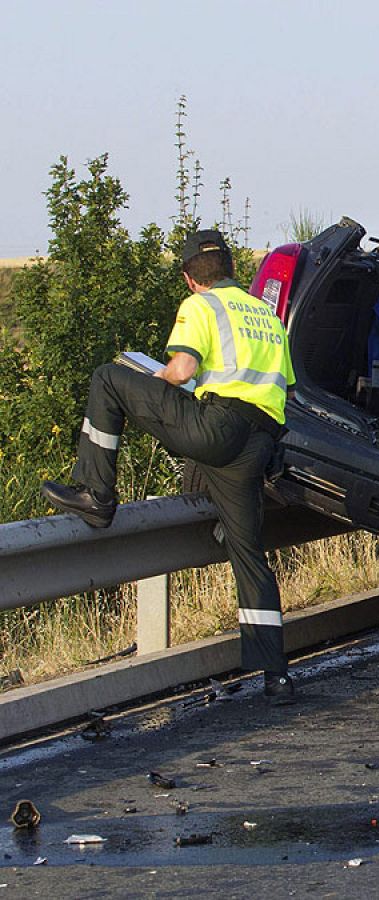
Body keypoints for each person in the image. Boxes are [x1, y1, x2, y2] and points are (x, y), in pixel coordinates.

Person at [42, 230, 300, 704]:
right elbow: (283, 383)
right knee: (249, 554)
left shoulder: (200, 307)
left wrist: (155, 381)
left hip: (214, 427)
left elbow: (182, 371)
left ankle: (95, 494)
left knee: (109, 378)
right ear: (230, 269)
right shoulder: (264, 313)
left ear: (189, 278)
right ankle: (275, 673)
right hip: (256, 443)